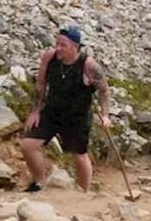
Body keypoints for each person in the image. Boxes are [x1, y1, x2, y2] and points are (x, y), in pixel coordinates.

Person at [20, 27, 112, 193]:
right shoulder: (50, 57)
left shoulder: (88, 65)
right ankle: (39, 182)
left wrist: (105, 115)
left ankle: (84, 192)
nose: (58, 48)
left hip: (77, 117)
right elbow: (41, 83)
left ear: (75, 47)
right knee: (28, 145)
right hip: (51, 112)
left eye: (63, 45)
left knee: (80, 156)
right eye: (57, 43)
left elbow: (104, 91)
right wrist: (35, 110)